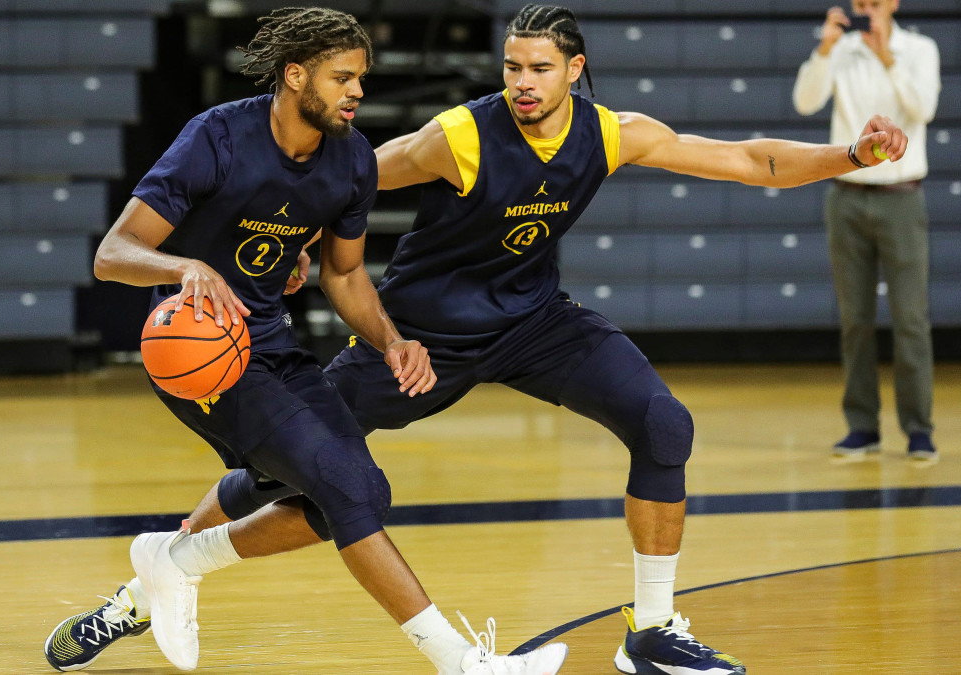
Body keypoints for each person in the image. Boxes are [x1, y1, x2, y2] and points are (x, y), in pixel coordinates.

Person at [60, 4, 909, 674]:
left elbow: (748, 162)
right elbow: (345, 174)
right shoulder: (458, 135)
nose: (523, 82)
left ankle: (650, 631)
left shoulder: (611, 133)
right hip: (420, 336)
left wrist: (849, 154)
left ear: (576, 70)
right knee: (278, 475)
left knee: (663, 424)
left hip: (537, 324)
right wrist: (289, 248)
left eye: (540, 68)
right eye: (512, 67)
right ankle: (148, 587)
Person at [42, 8, 568, 674]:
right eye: (342, 77)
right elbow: (113, 253)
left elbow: (342, 274)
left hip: (271, 343)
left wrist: (390, 340)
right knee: (343, 485)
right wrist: (185, 266)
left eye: (361, 80)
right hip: (197, 349)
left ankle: (164, 569)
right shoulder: (217, 137)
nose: (357, 92)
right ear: (295, 75)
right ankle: (463, 662)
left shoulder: (351, 160)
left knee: (360, 495)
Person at [793, 1, 940, 462]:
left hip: (901, 194)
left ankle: (919, 429)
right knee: (855, 319)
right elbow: (805, 101)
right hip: (847, 196)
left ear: (893, 3)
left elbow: (924, 108)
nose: (866, 11)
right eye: (860, 4)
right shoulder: (841, 49)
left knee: (910, 319)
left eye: (874, 4)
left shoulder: (919, 49)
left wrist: (886, 57)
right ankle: (862, 427)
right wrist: (825, 49)